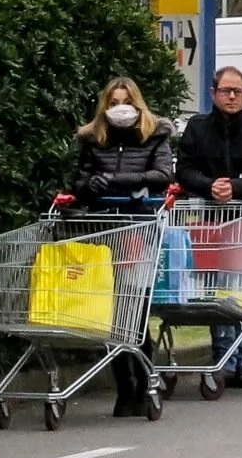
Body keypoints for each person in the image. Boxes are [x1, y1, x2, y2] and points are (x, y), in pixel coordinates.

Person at [173, 64, 242, 382]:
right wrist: (209, 186)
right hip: (212, 224)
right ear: (213, 93)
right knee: (216, 293)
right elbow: (184, 170)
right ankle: (223, 357)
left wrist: (235, 187)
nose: (232, 96)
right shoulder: (197, 128)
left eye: (238, 91)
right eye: (226, 91)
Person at [72, 78, 173, 416]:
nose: (120, 108)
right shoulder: (93, 138)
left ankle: (145, 383)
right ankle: (123, 386)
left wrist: (117, 182)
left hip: (137, 229)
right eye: (113, 102)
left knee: (135, 310)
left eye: (125, 100)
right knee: (112, 315)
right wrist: (91, 184)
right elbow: (79, 181)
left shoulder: (154, 134)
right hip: (103, 231)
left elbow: (161, 175)